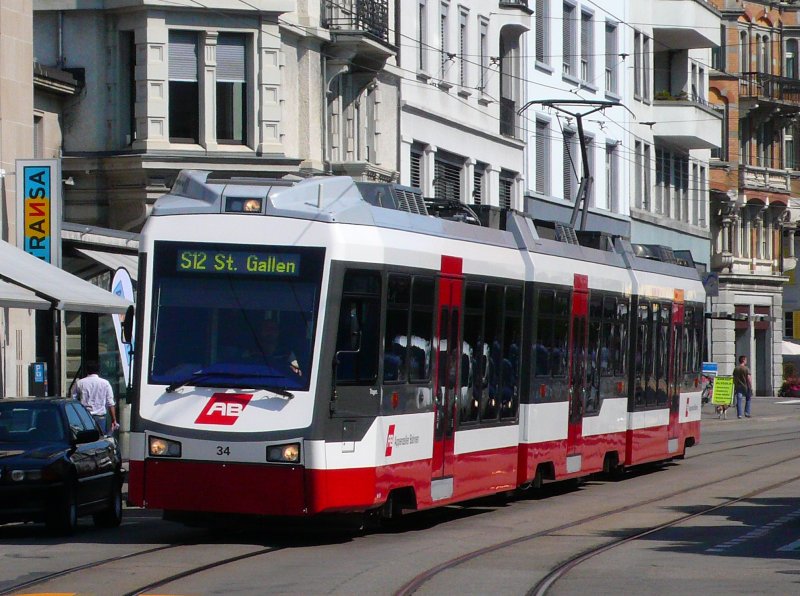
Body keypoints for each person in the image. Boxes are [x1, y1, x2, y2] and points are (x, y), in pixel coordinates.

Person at [74, 360, 118, 434]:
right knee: (100, 439)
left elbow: (74, 400)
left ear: (87, 370)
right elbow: (110, 403)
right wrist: (114, 419)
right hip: (100, 417)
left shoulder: (80, 383)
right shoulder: (105, 383)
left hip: (85, 417)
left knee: (86, 439)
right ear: (98, 370)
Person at [733, 354, 753, 419]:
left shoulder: (736, 368)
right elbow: (748, 378)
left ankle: (739, 414)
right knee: (748, 399)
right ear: (743, 360)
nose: (746, 361)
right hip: (746, 386)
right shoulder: (746, 369)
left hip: (738, 386)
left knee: (739, 400)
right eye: (746, 360)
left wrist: (735, 384)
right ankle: (747, 413)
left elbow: (734, 378)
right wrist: (750, 386)